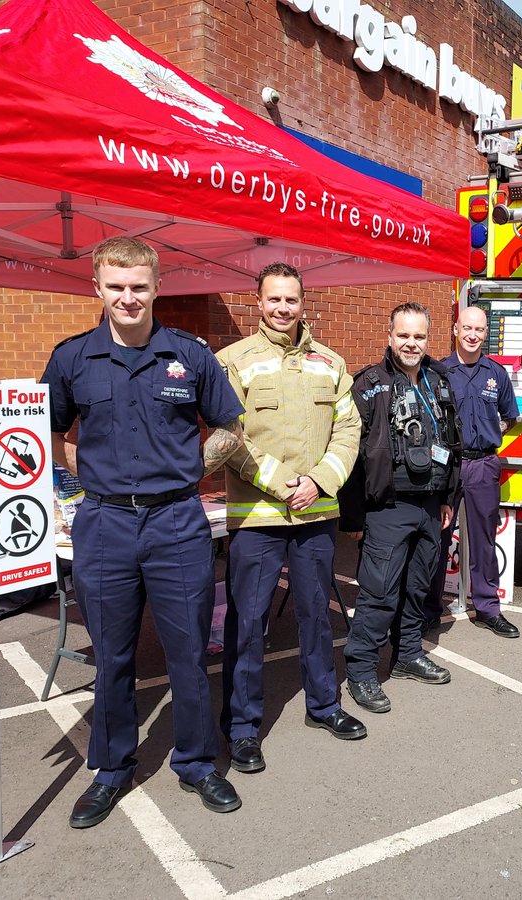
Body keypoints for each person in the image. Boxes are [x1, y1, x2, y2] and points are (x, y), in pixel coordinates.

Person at [43, 236, 245, 829]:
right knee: (111, 655)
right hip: (104, 523)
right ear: (98, 288)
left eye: (138, 286)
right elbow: (51, 434)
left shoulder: (191, 355)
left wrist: (187, 471)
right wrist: (95, 476)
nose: (127, 298)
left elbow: (229, 423)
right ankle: (110, 769)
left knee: (186, 651)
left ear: (157, 287)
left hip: (177, 522)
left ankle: (197, 761)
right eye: (116, 286)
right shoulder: (72, 359)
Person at [215, 262, 366, 775]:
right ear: (258, 302)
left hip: (316, 512)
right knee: (249, 624)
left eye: (292, 300)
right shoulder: (232, 361)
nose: (283, 309)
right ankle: (241, 728)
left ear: (305, 303)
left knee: (315, 618)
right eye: (274, 300)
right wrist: (285, 483)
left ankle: (324, 706)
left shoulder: (331, 362)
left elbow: (349, 430)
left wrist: (319, 480)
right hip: (258, 515)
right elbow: (227, 437)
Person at [339, 302, 462, 713]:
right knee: (378, 593)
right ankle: (360, 671)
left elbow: (454, 443)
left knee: (417, 588)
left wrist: (447, 498)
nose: (411, 343)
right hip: (387, 508)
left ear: (429, 339)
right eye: (404, 335)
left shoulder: (439, 381)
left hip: (430, 505)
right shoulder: (368, 385)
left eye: (419, 336)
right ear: (389, 336)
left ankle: (408, 654)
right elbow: (350, 454)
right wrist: (354, 515)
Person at [424, 306, 520, 638]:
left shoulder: (496, 373)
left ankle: (488, 609)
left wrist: (492, 432)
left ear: (485, 333)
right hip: (445, 465)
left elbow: (510, 415)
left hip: (483, 465)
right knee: (436, 538)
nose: (472, 334)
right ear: (455, 329)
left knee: (483, 541)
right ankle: (428, 608)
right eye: (467, 327)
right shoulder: (436, 371)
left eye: (479, 329)